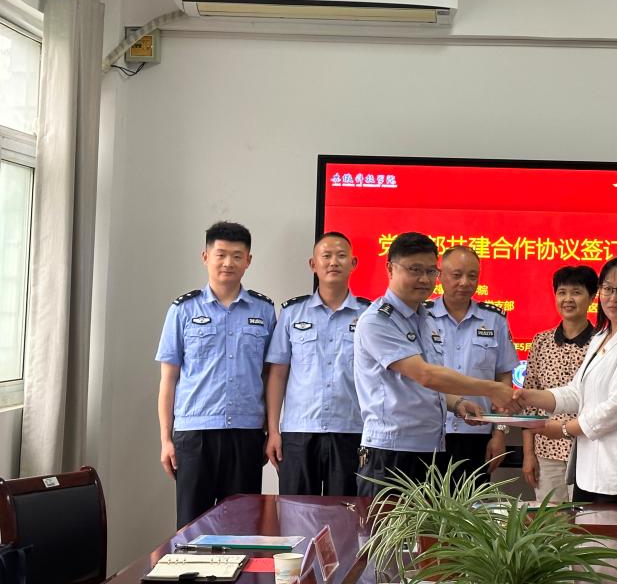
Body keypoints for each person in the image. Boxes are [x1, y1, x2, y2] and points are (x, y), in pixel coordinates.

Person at [353, 232, 520, 497]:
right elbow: (426, 375)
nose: (424, 279)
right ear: (390, 269)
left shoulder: (424, 318)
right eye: (415, 270)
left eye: (431, 271)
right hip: (391, 451)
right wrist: (491, 389)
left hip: (428, 448)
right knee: (388, 525)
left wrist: (456, 403)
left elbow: (424, 387)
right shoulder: (378, 320)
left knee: (433, 525)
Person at [513, 257, 617, 504]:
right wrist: (528, 396)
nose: (614, 297)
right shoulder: (602, 337)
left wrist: (563, 429)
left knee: (612, 533)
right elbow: (577, 392)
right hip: (590, 474)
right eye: (608, 288)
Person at [155, 221, 277, 528]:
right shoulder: (183, 310)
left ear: (248, 260)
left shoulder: (264, 310)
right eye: (220, 254)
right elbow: (168, 379)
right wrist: (165, 439)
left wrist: (269, 429)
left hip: (246, 433)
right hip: (194, 434)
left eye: (237, 256)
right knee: (191, 528)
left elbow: (269, 376)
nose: (228, 263)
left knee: (242, 527)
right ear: (205, 257)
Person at [264, 232, 370, 496]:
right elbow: (278, 374)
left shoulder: (369, 316)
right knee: (295, 512)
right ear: (313, 264)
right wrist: (273, 431)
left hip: (351, 430)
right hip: (299, 432)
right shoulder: (292, 313)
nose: (334, 262)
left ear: (354, 263)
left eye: (341, 256)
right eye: (326, 256)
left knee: (346, 513)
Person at [427, 246, 518, 486]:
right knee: (426, 506)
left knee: (473, 506)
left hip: (477, 433)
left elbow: (504, 380)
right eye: (457, 275)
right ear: (440, 276)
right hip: (429, 434)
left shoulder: (494, 319)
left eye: (472, 276)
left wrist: (500, 433)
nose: (465, 282)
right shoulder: (422, 317)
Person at [521, 265, 598, 502]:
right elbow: (530, 404)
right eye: (562, 292)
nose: (568, 299)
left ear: (592, 298)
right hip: (546, 451)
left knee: (586, 519)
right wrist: (528, 454)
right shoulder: (541, 341)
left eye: (576, 292)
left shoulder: (601, 343)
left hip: (589, 450)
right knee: (550, 519)